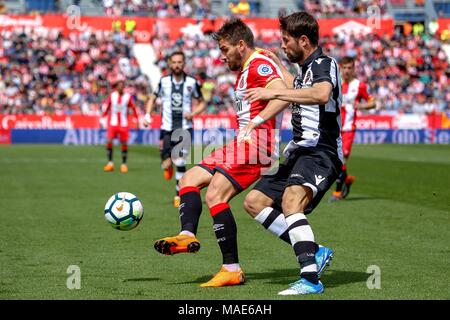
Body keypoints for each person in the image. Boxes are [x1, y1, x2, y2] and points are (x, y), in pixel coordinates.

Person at [153, 18, 293, 287]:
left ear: (241, 45)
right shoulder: (250, 65)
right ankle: (186, 235)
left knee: (216, 194)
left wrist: (256, 121)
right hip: (241, 143)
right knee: (188, 179)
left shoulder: (257, 64)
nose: (222, 56)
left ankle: (231, 269)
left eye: (225, 49)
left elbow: (283, 94)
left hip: (257, 146)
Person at [240, 11, 342, 295]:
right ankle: (315, 251)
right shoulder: (303, 71)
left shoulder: (324, 64)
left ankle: (310, 279)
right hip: (299, 153)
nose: (283, 45)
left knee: (291, 200)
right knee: (254, 202)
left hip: (321, 151)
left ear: (304, 40)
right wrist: (275, 62)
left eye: (286, 41)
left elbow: (320, 94)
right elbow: (294, 87)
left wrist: (272, 94)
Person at [143, 51, 206, 208]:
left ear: (184, 64)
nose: (177, 65)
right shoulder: (163, 81)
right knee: (166, 164)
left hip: (185, 128)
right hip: (167, 128)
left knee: (180, 160)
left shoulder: (192, 82)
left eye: (180, 62)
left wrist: (193, 113)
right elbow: (152, 98)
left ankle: (178, 195)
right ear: (170, 64)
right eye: (174, 62)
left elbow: (202, 102)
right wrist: (147, 115)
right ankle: (167, 164)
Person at [329, 56, 377, 202]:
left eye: (350, 68)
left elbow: (373, 103)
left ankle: (337, 194)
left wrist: (361, 106)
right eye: (345, 68)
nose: (347, 71)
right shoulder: (334, 84)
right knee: (333, 161)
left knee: (340, 160)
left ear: (354, 68)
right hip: (333, 128)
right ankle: (347, 179)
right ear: (340, 68)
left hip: (349, 129)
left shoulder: (359, 86)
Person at [102, 80, 139, 173]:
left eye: (122, 86)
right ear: (116, 87)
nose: (121, 87)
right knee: (109, 141)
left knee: (124, 143)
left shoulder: (127, 97)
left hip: (123, 123)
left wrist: (136, 121)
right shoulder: (112, 96)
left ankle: (123, 164)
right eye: (119, 86)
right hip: (113, 123)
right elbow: (107, 107)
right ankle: (110, 163)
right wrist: (103, 118)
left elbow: (133, 109)